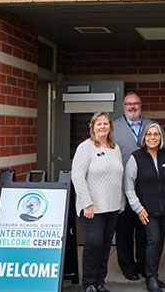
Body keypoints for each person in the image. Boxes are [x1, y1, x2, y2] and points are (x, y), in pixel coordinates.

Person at [71, 112, 125, 292]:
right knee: (93, 245)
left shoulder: (114, 147)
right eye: (99, 123)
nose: (103, 126)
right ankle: (89, 284)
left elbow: (119, 177)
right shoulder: (86, 147)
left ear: (110, 126)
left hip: (112, 207)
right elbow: (77, 177)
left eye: (106, 123)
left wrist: (120, 202)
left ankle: (100, 281)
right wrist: (87, 203)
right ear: (92, 126)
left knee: (105, 245)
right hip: (92, 208)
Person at [124, 122, 165, 292]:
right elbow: (129, 187)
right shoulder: (135, 157)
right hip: (146, 210)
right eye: (149, 134)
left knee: (159, 242)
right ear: (143, 137)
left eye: (156, 134)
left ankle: (153, 273)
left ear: (161, 137)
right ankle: (151, 278)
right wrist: (138, 208)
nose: (152, 137)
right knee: (153, 240)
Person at [113, 92, 156, 281]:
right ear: (123, 106)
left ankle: (144, 265)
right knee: (124, 230)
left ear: (141, 105)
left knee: (144, 229)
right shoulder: (114, 127)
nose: (132, 107)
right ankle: (128, 266)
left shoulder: (150, 126)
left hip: (146, 188)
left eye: (136, 104)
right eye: (129, 104)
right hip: (122, 188)